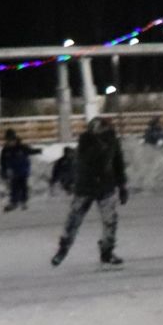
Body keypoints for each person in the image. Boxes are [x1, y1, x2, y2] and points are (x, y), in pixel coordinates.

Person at [50, 114, 129, 267]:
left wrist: (122, 185)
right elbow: (83, 162)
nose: (104, 132)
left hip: (105, 187)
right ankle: (63, 249)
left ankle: (107, 252)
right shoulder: (85, 141)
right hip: (85, 187)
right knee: (74, 220)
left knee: (110, 221)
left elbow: (118, 163)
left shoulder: (112, 141)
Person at [0, 129, 43, 212]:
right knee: (14, 186)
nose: (10, 143)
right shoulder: (5, 150)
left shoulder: (21, 147)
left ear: (15, 139)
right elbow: (2, 162)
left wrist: (38, 151)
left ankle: (24, 201)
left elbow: (29, 151)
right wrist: (4, 171)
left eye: (11, 140)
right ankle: (14, 201)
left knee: (23, 185)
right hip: (14, 171)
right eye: (8, 141)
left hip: (23, 170)